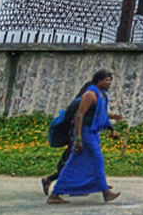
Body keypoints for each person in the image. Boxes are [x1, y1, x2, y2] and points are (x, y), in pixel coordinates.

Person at [47, 70, 120, 204]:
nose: (109, 83)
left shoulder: (102, 96)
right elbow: (79, 116)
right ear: (99, 81)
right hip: (85, 133)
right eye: (107, 80)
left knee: (75, 163)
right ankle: (106, 192)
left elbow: (101, 115)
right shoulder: (90, 95)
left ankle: (55, 194)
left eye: (110, 80)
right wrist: (78, 139)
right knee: (97, 160)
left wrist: (112, 129)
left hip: (93, 133)